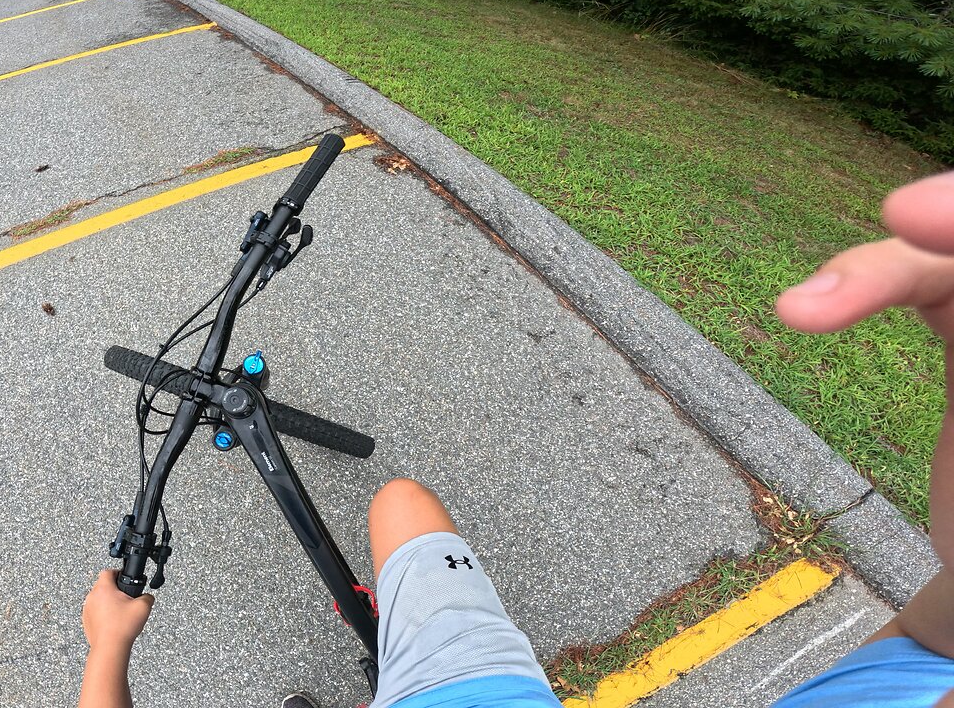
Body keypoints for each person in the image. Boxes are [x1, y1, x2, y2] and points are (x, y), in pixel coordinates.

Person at [79, 172, 954, 708]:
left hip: (471, 687)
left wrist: (108, 647)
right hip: (479, 687)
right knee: (401, 498)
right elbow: (932, 642)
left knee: (399, 502)